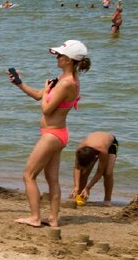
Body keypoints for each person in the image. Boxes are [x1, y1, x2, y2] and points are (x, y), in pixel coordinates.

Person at [9, 39, 90, 227]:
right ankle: (53, 219)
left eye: (60, 55)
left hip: (53, 135)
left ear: (69, 60)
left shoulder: (67, 83)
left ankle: (35, 217)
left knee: (28, 175)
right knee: (51, 178)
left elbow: (46, 108)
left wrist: (46, 91)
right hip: (56, 133)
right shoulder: (63, 79)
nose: (57, 58)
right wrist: (19, 84)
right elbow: (39, 95)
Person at [72, 131, 119, 206]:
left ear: (95, 158)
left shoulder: (103, 151)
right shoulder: (80, 150)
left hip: (111, 144)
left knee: (107, 172)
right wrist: (76, 186)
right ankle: (80, 195)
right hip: (93, 144)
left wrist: (88, 188)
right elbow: (77, 168)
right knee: (84, 172)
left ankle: (107, 199)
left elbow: (99, 172)